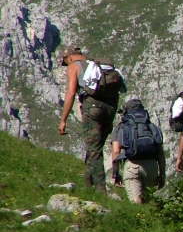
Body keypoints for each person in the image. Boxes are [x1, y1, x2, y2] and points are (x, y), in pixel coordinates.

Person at [58, 45, 119, 193]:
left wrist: (63, 120)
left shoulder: (74, 66)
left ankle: (100, 190)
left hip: (92, 108)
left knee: (94, 149)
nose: (67, 65)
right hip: (110, 108)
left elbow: (71, 93)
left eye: (66, 61)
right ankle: (88, 184)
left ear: (70, 57)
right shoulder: (98, 65)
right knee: (94, 147)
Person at [110, 98, 165, 203]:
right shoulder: (151, 126)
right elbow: (160, 153)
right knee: (147, 200)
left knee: (136, 201)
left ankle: (138, 215)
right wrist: (162, 175)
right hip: (151, 166)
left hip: (132, 165)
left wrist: (116, 173)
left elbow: (116, 152)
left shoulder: (121, 127)